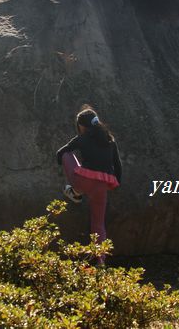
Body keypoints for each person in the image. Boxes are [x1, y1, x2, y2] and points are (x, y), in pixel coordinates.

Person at [56, 105, 122, 266]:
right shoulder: (109, 140)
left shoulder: (82, 138)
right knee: (98, 224)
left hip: (82, 181)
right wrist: (116, 183)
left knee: (67, 154)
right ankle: (101, 260)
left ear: (81, 125)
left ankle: (76, 192)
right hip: (101, 186)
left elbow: (61, 152)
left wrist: (61, 164)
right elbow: (118, 165)